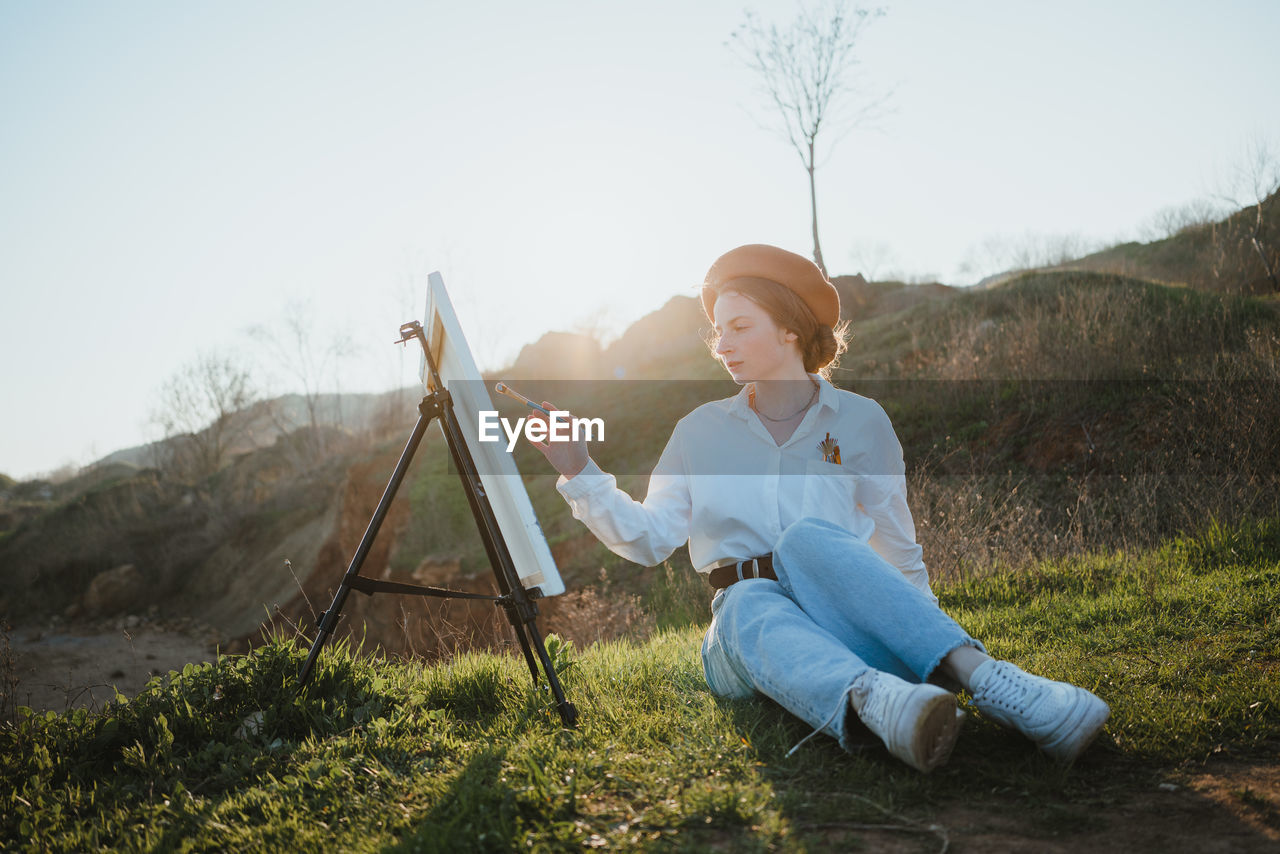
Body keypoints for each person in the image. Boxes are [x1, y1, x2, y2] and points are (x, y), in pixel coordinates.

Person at [527, 244, 1109, 772]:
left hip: (843, 619)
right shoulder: (698, 432)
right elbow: (649, 538)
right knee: (751, 595)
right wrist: (579, 469)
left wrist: (921, 633)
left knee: (807, 539)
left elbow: (895, 543)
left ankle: (997, 685)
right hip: (744, 632)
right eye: (716, 331)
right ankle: (880, 705)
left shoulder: (861, 421)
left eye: (738, 326)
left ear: (789, 330)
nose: (721, 344)